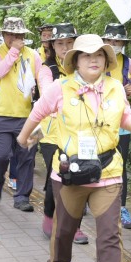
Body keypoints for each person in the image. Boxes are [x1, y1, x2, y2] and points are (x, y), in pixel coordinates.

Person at [17, 34, 131, 262]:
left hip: (107, 171)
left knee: (109, 234)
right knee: (66, 228)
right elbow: (39, 112)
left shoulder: (116, 88)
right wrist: (22, 138)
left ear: (107, 61)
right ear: (76, 61)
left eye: (99, 55)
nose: (93, 60)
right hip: (71, 172)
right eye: (86, 55)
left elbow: (125, 119)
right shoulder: (61, 88)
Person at [36, 23, 90, 244]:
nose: (65, 47)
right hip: (51, 135)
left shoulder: (86, 67)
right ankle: (50, 215)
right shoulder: (47, 69)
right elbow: (49, 95)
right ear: (52, 45)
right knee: (56, 177)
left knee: (77, 179)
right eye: (60, 43)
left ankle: (74, 225)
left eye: (70, 43)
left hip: (80, 134)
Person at [0, 17, 42, 212]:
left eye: (20, 35)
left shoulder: (33, 55)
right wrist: (14, 51)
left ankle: (22, 197)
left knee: (27, 157)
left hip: (27, 116)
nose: (16, 38)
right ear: (4, 35)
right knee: (1, 155)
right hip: (0, 115)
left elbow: (41, 80)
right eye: (11, 34)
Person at [101, 23, 131, 230]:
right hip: (100, 120)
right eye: (110, 41)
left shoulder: (128, 63)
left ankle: (121, 207)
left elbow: (130, 85)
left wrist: (129, 89)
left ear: (124, 43)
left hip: (121, 119)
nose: (114, 45)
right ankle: (91, 199)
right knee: (98, 160)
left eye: (117, 42)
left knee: (121, 164)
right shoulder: (98, 60)